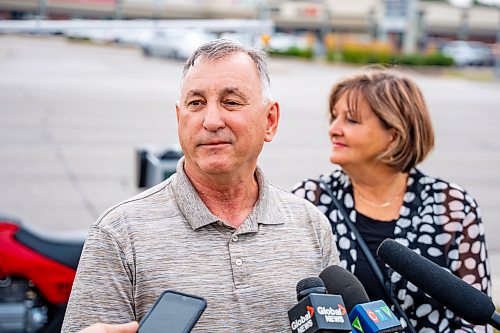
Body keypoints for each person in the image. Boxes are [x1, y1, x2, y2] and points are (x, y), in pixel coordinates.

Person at [61, 39, 339, 333]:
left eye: (231, 102)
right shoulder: (118, 234)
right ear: (180, 119)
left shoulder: (311, 226)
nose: (211, 120)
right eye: (196, 104)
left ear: (270, 120)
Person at [292, 68, 491, 333]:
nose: (333, 129)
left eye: (351, 120)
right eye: (334, 117)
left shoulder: (452, 206)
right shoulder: (309, 199)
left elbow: (474, 322)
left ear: (393, 136)